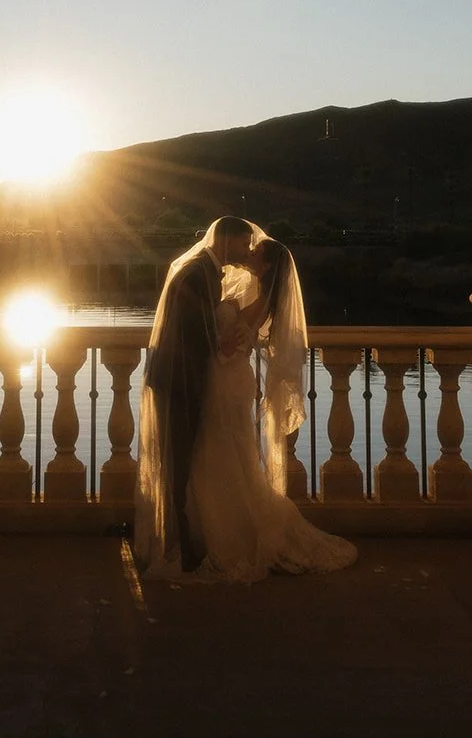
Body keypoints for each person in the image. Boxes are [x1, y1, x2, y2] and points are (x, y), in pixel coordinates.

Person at [137, 228, 358, 582]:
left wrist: (215, 343)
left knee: (218, 453)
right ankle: (207, 530)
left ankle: (222, 535)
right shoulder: (252, 292)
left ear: (265, 265)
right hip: (229, 383)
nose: (249, 250)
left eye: (254, 250)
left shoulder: (256, 299)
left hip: (225, 382)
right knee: (226, 455)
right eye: (247, 244)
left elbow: (229, 348)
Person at [137, 215, 256, 573]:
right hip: (180, 379)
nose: (247, 250)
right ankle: (177, 544)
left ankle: (178, 539)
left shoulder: (203, 270)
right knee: (178, 458)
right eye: (244, 243)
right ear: (227, 239)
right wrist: (223, 346)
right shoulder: (197, 273)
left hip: (180, 376)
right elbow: (192, 329)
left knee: (181, 456)